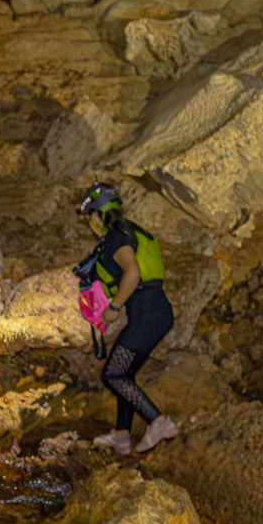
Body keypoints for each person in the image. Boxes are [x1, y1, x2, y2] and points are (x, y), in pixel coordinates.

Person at [76, 182, 178, 455]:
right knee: (125, 374)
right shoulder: (132, 231)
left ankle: (159, 422)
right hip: (155, 311)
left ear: (98, 214)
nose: (91, 224)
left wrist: (115, 307)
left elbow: (132, 274)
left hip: (146, 312)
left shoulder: (118, 236)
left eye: (91, 218)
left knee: (114, 374)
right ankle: (122, 437)